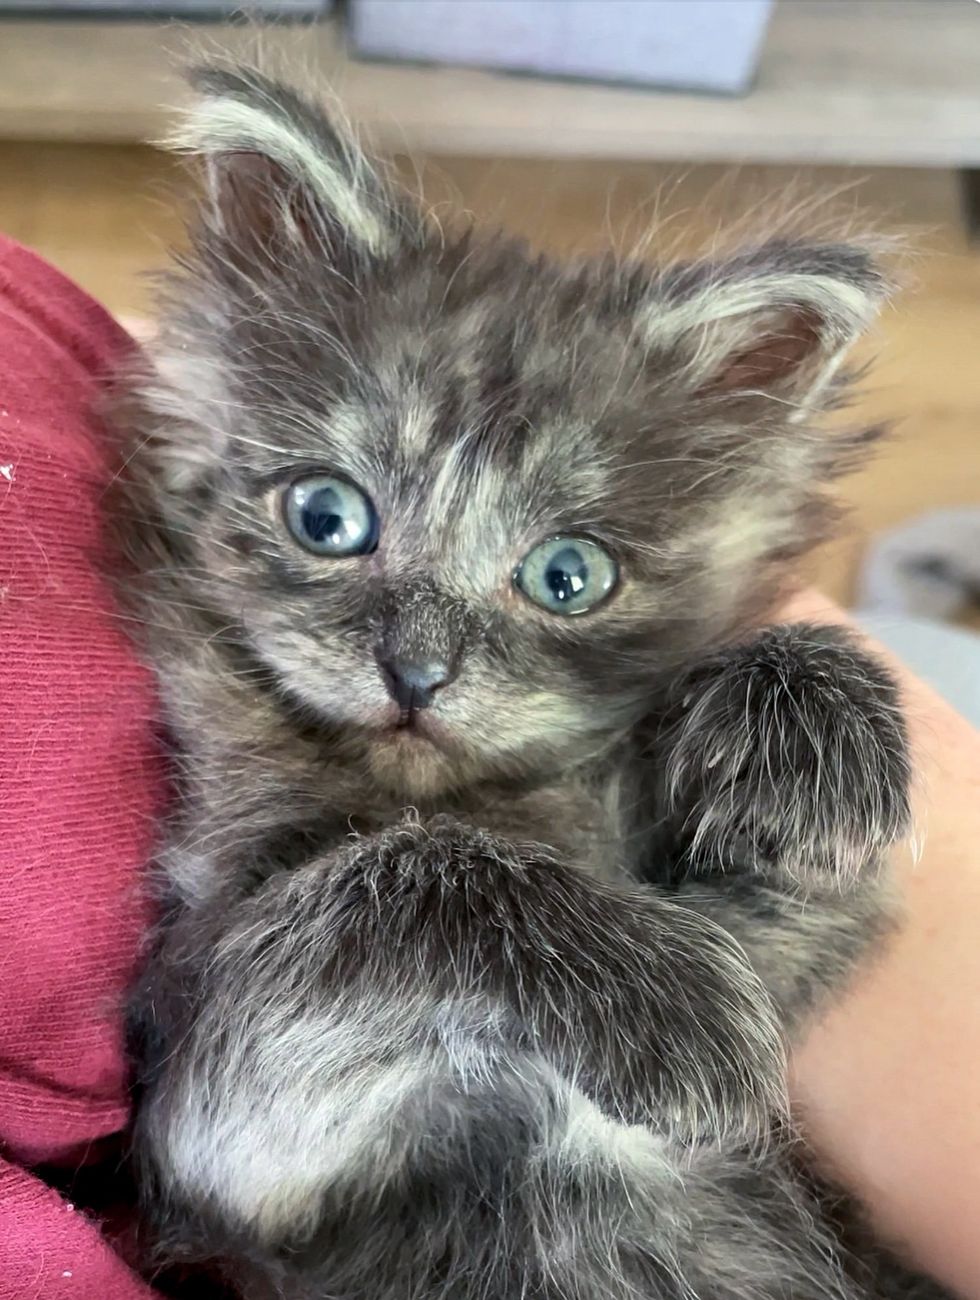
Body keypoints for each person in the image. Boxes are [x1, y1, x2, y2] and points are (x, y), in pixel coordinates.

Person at [1, 234, 977, 1299]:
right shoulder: (254, 778)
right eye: (329, 521)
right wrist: (459, 905)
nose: (419, 655)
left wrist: (801, 739)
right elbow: (234, 1153)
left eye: (565, 575)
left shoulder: (615, 731)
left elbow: (741, 1021)